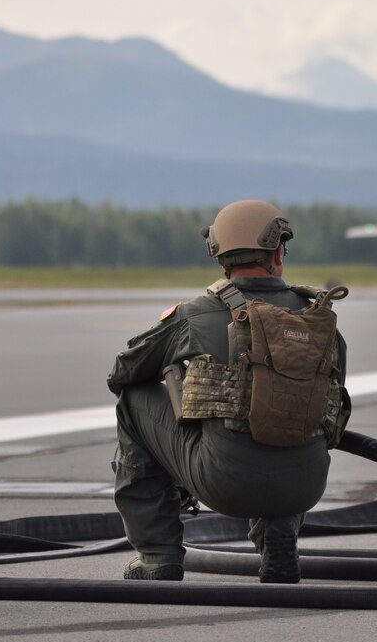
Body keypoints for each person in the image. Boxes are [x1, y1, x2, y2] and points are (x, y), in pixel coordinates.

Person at [107, 201, 347, 582]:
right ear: (278, 252)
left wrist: (194, 395)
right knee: (293, 414)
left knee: (133, 400)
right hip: (305, 486)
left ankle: (158, 555)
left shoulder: (197, 315)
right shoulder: (318, 319)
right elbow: (332, 409)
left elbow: (123, 371)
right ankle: (278, 539)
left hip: (226, 487)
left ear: (221, 259)